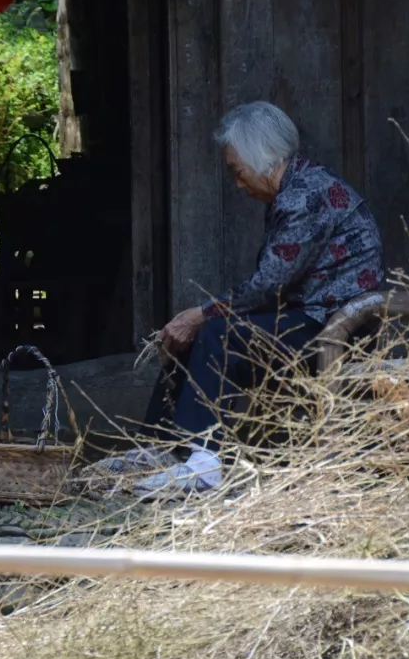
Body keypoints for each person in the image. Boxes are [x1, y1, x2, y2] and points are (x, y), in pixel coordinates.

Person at [98, 101, 384, 499]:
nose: (237, 183)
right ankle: (161, 449)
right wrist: (196, 321)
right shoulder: (294, 191)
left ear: (263, 157)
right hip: (311, 317)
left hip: (336, 326)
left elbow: (268, 285)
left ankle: (204, 465)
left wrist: (201, 314)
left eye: (237, 171)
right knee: (196, 335)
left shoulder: (305, 197)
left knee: (215, 333)